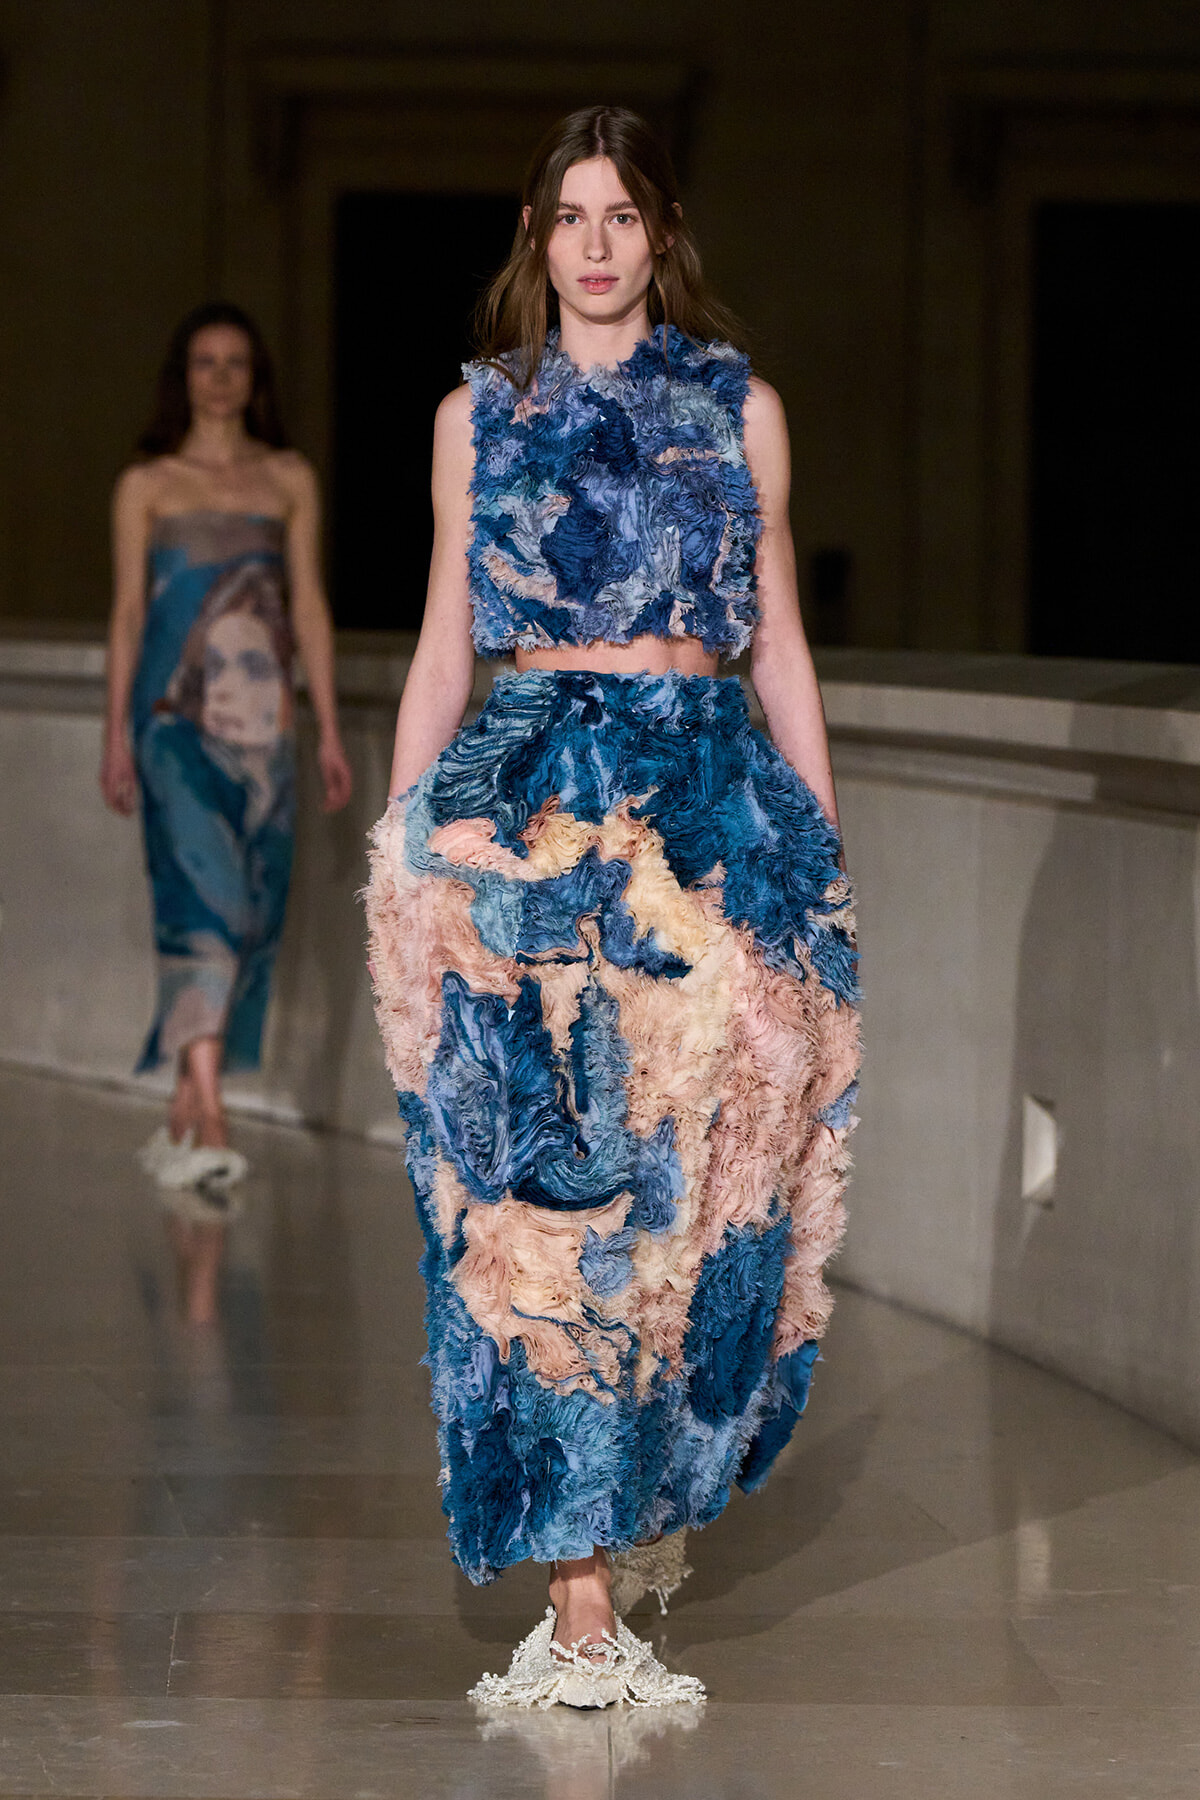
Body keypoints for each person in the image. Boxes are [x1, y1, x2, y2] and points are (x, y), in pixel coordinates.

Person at [364, 107, 860, 1708]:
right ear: (535, 231)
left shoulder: (739, 410)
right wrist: (399, 847)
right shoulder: (477, 416)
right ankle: (578, 1595)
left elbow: (779, 641)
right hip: (525, 808)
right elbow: (448, 636)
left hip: (705, 811)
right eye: (569, 214)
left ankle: (628, 1502)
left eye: (622, 215)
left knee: (695, 1186)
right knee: (536, 1203)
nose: (593, 242)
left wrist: (821, 861)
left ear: (661, 233)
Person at [102, 302, 352, 1190]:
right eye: (204, 361)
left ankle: (185, 1087)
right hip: (171, 730)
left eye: (235, 362)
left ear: (255, 378)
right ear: (184, 375)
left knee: (250, 912)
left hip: (265, 733)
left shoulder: (288, 478)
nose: (219, 377)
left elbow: (309, 608)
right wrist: (115, 735)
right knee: (199, 904)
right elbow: (130, 614)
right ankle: (209, 1111)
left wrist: (323, 725)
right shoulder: (148, 485)